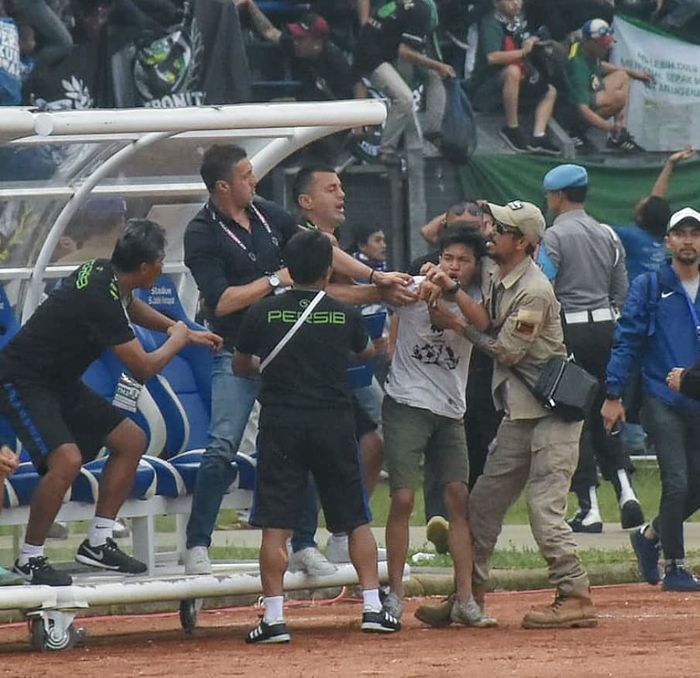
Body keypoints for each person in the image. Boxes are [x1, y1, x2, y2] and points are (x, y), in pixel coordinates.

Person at [183, 146, 414, 576]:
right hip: (238, 350)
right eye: (246, 176)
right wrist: (274, 280)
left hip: (283, 352)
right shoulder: (201, 232)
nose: (254, 182)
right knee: (221, 447)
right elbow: (222, 302)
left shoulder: (267, 214)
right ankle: (197, 544)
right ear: (222, 186)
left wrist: (372, 276)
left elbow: (319, 248)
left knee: (298, 443)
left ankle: (306, 544)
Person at [0, 219, 222, 586]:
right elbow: (144, 369)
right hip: (23, 380)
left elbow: (130, 305)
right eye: (161, 262)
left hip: (60, 381)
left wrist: (176, 328)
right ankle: (30, 558)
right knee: (66, 460)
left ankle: (99, 541)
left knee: (130, 440)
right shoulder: (99, 299)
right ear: (146, 267)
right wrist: (178, 339)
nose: (163, 268)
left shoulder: (105, 273)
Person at [415, 200, 597, 629]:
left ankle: (575, 595)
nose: (490, 231)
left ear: (524, 242)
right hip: (520, 410)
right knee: (483, 505)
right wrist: (451, 287)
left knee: (544, 509)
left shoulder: (534, 290)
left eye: (502, 228)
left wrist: (457, 324)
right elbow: (488, 313)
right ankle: (467, 595)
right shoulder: (498, 272)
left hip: (552, 414)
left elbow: (507, 350)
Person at [234, 229, 401, 643]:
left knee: (275, 524)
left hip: (281, 425)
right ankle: (372, 608)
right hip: (333, 423)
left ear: (288, 270)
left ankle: (274, 618)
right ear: (329, 270)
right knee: (354, 517)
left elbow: (241, 363)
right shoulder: (343, 314)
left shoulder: (263, 312)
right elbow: (365, 353)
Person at [381, 225, 496, 629]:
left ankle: (465, 597)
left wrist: (451, 297)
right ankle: (394, 593)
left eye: (463, 260)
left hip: (450, 409)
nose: (454, 265)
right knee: (403, 497)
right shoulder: (413, 286)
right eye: (448, 258)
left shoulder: (475, 299)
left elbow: (484, 324)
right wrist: (412, 286)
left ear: (475, 267)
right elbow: (385, 297)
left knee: (457, 496)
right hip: (407, 403)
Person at [541, 163, 644, 534]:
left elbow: (544, 290)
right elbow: (622, 288)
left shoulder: (553, 238)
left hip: (571, 330)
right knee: (608, 409)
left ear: (558, 196)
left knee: (575, 416)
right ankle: (627, 491)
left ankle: (590, 507)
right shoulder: (608, 234)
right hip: (607, 327)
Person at [603, 207, 700, 592]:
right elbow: (628, 339)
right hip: (661, 398)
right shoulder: (650, 285)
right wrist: (613, 393)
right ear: (668, 242)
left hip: (697, 398)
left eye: (695, 234)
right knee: (676, 482)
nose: (688, 241)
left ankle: (648, 537)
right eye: (681, 234)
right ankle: (675, 565)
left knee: (697, 484)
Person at [351, 0, 455, 164]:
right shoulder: (423, 10)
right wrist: (439, 65)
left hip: (384, 51)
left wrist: (436, 67)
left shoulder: (411, 4)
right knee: (404, 98)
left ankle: (433, 131)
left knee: (434, 74)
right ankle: (386, 150)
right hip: (370, 60)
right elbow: (405, 52)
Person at [468, 0, 560, 155]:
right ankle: (512, 128)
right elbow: (493, 57)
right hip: (486, 87)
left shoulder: (522, 19)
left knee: (550, 91)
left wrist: (534, 39)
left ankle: (539, 135)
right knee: (513, 71)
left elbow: (545, 30)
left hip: (520, 80)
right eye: (510, 0)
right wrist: (523, 52)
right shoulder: (490, 22)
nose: (516, 4)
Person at [562, 18, 652, 152]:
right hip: (573, 109)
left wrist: (633, 73)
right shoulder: (577, 65)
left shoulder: (583, 48)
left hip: (588, 90)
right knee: (618, 97)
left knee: (622, 76)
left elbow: (599, 65)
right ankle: (576, 132)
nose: (606, 48)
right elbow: (582, 109)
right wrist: (608, 127)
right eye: (602, 45)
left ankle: (618, 136)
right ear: (591, 42)